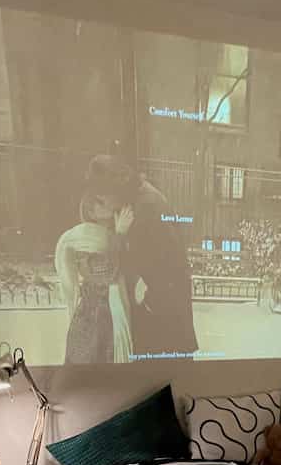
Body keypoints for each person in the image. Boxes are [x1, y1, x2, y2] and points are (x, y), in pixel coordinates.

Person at [85, 155, 198, 358]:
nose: (105, 204)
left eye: (103, 198)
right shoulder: (137, 200)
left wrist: (149, 304)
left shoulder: (146, 206)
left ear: (114, 188)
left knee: (162, 379)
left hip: (162, 320)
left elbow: (168, 265)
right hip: (161, 318)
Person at [54, 211, 133, 364]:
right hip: (96, 324)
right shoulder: (88, 258)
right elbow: (110, 272)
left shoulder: (90, 252)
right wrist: (120, 234)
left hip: (95, 321)